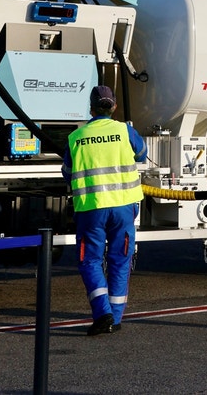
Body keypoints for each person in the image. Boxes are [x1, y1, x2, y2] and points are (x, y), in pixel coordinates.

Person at [62, 86, 147, 336]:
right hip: (124, 207)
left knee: (90, 261)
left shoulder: (76, 137)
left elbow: (67, 172)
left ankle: (103, 314)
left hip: (92, 209)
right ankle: (116, 317)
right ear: (114, 108)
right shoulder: (124, 131)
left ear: (90, 107)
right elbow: (142, 154)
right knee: (120, 260)